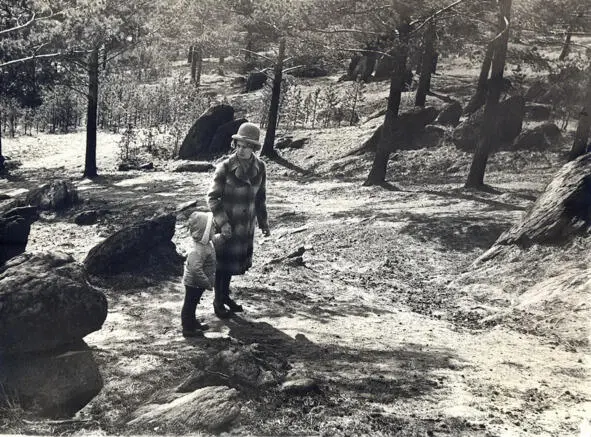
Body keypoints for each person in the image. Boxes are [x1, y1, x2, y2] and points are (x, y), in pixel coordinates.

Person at [207, 122, 270, 318]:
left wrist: (264, 222)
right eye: (239, 145)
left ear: (253, 148)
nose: (241, 149)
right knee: (222, 264)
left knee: (232, 264)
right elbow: (212, 197)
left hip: (245, 227)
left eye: (246, 146)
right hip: (226, 226)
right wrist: (223, 223)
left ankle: (225, 296)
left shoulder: (260, 167)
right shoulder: (225, 167)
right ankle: (218, 301)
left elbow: (261, 197)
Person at [181, 211, 217, 337]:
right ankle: (187, 328)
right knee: (189, 305)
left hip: (198, 283)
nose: (215, 229)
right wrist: (206, 283)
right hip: (194, 283)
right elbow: (196, 270)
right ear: (204, 231)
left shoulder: (205, 244)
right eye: (212, 228)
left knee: (193, 303)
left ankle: (192, 322)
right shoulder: (196, 250)